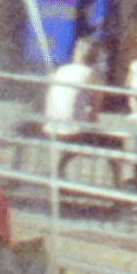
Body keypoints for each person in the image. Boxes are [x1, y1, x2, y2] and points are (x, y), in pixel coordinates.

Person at [43, 37, 123, 187]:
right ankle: (118, 184)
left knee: (75, 138)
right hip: (73, 132)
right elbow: (96, 111)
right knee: (116, 143)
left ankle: (58, 171)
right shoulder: (93, 74)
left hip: (50, 127)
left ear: (76, 53)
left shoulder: (61, 70)